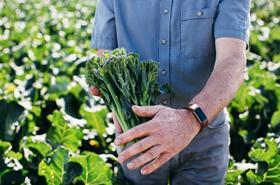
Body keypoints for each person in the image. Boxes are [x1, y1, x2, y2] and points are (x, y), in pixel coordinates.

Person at [89, 0, 250, 184]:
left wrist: (190, 120)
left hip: (205, 138)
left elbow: (233, 60)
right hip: (139, 139)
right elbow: (106, 57)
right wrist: (111, 91)